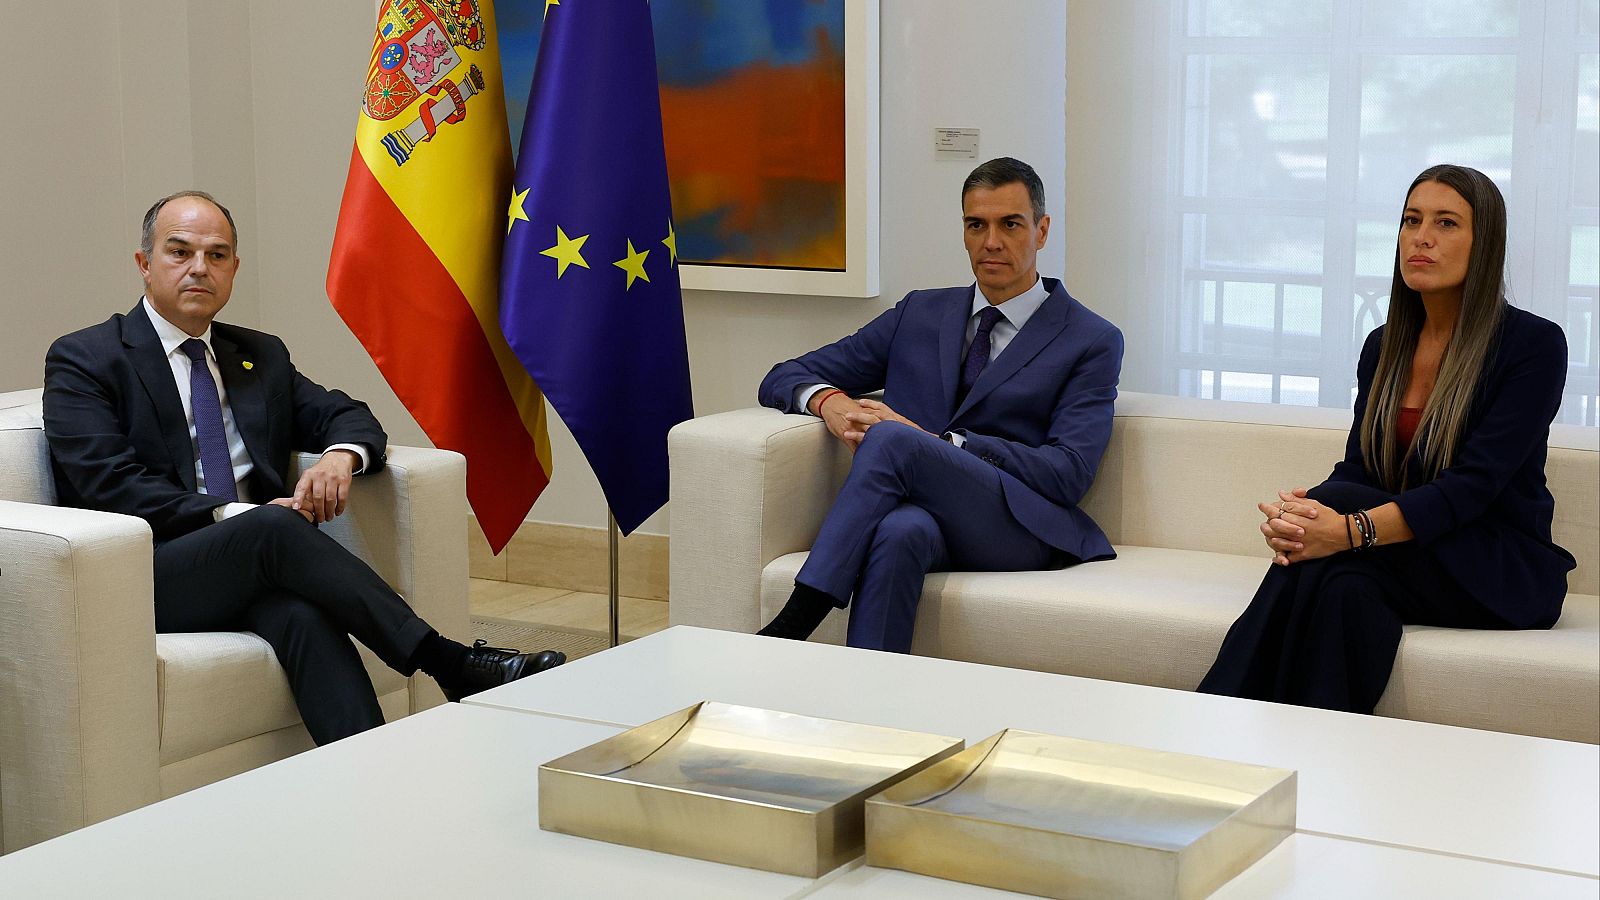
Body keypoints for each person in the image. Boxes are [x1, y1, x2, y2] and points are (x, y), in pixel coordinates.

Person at [43, 190, 567, 745]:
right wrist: (239, 515)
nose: (200, 268)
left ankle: (370, 775)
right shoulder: (87, 358)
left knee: (302, 616)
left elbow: (350, 416)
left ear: (234, 270)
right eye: (180, 252)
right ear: (144, 264)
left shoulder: (258, 356)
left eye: (218, 256)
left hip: (256, 563)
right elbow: (108, 484)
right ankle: (449, 662)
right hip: (146, 572)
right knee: (272, 527)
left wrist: (341, 456)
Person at [1198, 164, 1575, 713]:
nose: (1421, 237)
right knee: (1347, 592)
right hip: (1408, 557)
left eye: (1447, 223)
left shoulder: (1533, 345)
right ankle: (1313, 759)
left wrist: (1347, 528)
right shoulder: (1384, 345)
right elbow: (1359, 470)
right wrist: (1305, 520)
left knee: (1338, 526)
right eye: (1411, 220)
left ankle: (1212, 716)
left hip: (1500, 568)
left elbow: (1474, 486)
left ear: (1485, 244)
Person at [755, 157, 1124, 652]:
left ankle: (793, 625)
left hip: (1017, 524)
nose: (991, 241)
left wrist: (945, 444)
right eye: (977, 225)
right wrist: (828, 402)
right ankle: (872, 710)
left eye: (1010, 224)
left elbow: (1069, 472)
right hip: (925, 515)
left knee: (891, 437)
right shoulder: (919, 312)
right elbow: (784, 375)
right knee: (900, 531)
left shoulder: (1090, 338)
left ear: (1041, 231)